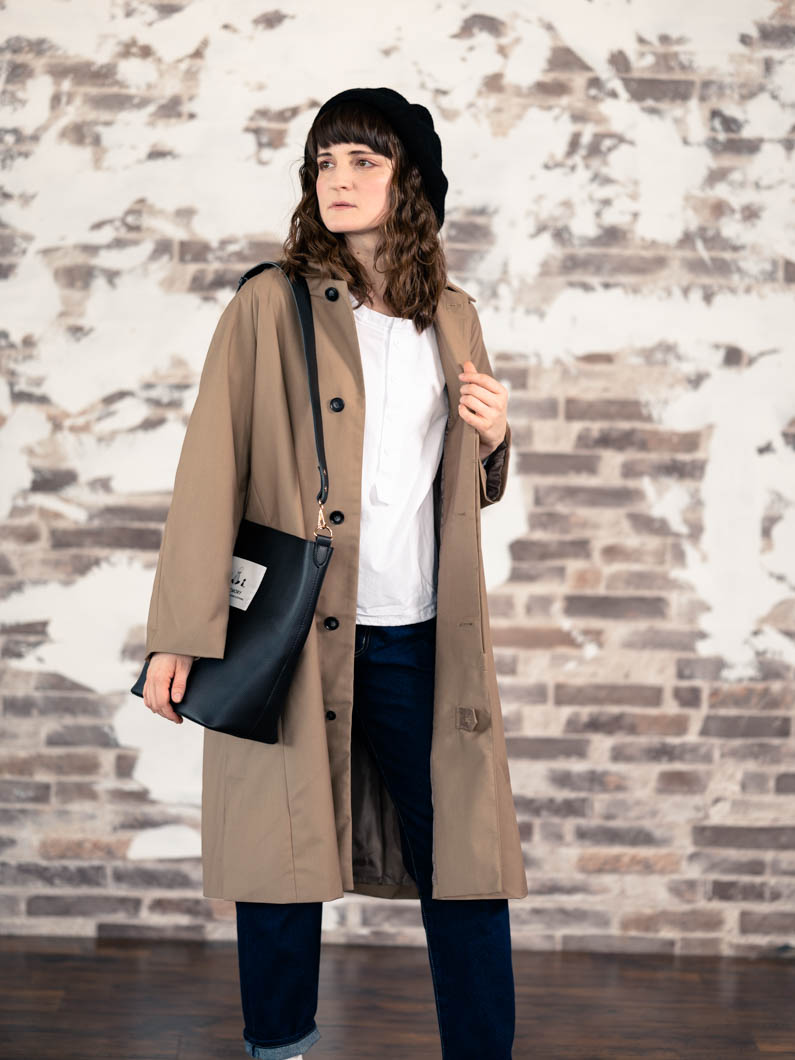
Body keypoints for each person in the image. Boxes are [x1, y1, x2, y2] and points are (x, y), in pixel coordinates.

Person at [140, 86, 524, 1060]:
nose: (339, 180)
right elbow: (210, 473)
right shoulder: (270, 305)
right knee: (279, 865)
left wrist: (495, 443)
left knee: (464, 863)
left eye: (365, 161)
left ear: (411, 183)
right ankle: (280, 1051)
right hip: (297, 631)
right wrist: (178, 636)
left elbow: (448, 488)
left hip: (418, 635)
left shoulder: (455, 317)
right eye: (325, 162)